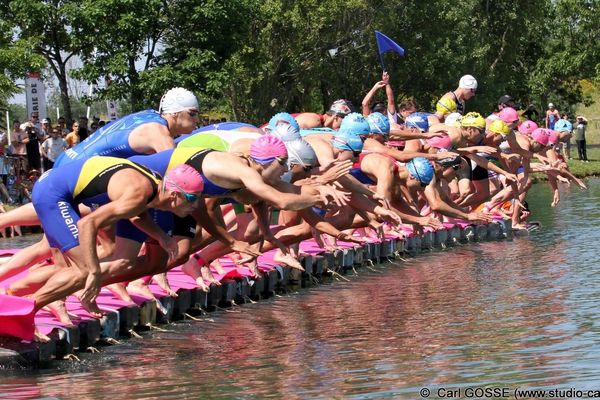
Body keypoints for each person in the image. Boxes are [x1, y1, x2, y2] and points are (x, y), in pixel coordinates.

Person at [3, 158, 203, 332]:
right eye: (192, 199)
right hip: (52, 193)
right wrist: (94, 270)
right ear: (174, 195)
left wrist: (161, 236)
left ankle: (22, 306)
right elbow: (87, 224)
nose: (196, 206)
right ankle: (22, 311)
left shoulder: (153, 188)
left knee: (75, 269)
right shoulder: (139, 192)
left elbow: (138, 213)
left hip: (64, 191)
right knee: (84, 272)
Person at [55, 87, 199, 167]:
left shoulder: (149, 114)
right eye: (192, 114)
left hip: (66, 159)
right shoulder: (159, 133)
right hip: (74, 167)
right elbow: (180, 174)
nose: (197, 119)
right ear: (174, 113)